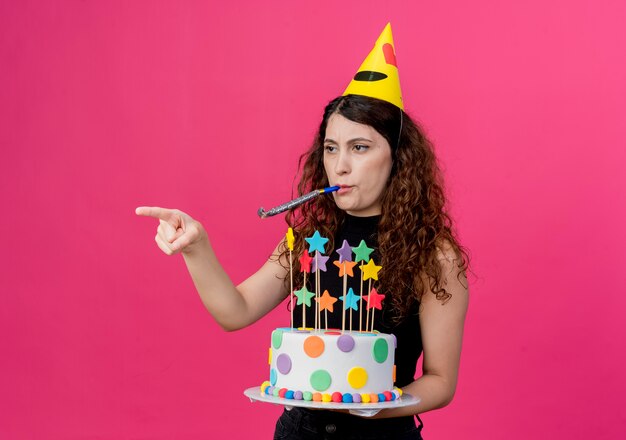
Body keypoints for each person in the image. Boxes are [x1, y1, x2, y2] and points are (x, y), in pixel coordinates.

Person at [136, 24, 468, 440]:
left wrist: (366, 408)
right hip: (299, 432)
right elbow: (234, 311)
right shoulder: (310, 236)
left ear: (398, 159)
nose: (340, 165)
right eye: (331, 148)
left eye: (359, 147)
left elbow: (441, 381)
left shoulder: (434, 257)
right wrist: (196, 247)